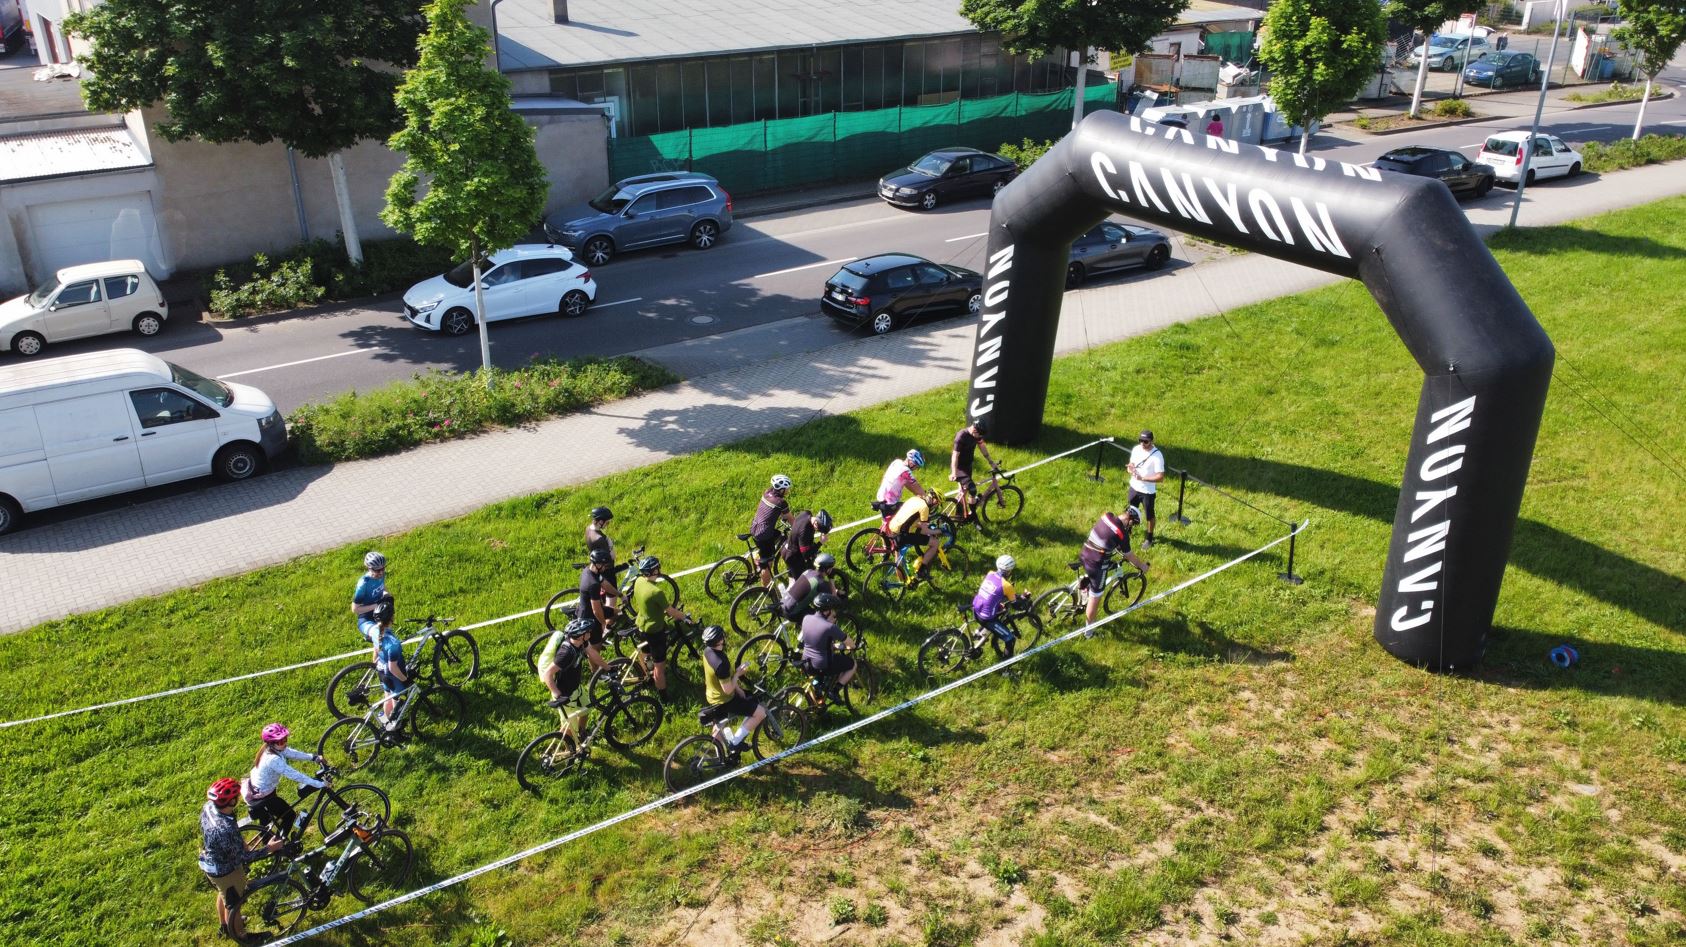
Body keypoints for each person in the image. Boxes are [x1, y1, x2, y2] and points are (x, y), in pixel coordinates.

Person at [201, 778, 284, 944]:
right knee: (235, 904)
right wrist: (270, 848)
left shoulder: (209, 807)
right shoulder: (223, 830)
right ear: (231, 801)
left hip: (211, 862)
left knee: (224, 893)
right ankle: (242, 937)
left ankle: (225, 926)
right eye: (236, 798)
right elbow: (244, 858)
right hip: (226, 870)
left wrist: (239, 842)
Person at [241, 723, 327, 837]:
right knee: (289, 815)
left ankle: (270, 842)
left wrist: (313, 757)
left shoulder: (272, 748)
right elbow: (294, 775)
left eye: (285, 739)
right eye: (281, 741)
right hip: (262, 796)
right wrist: (319, 784)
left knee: (266, 820)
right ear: (272, 743)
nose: (284, 743)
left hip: (259, 789)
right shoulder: (273, 759)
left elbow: (292, 753)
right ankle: (280, 846)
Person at [699, 624, 767, 754]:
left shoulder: (707, 651)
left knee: (718, 725)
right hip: (724, 699)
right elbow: (728, 690)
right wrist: (737, 674)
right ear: (720, 640)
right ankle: (735, 743)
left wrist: (739, 690)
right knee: (760, 713)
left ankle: (720, 756)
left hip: (711, 695)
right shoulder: (721, 664)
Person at [629, 556, 687, 701]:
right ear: (652, 571)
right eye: (657, 568)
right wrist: (685, 617)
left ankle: (646, 676)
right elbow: (671, 612)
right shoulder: (656, 592)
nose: (659, 570)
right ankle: (663, 697)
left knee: (645, 653)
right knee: (659, 669)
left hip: (641, 625)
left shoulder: (638, 581)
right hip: (654, 631)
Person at [1080, 508, 1150, 626]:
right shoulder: (1122, 534)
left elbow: (1108, 535)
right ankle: (1089, 633)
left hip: (1085, 551)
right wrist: (1142, 566)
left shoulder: (1107, 515)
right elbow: (1129, 556)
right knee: (1095, 598)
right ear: (1131, 520)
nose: (1132, 527)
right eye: (1134, 524)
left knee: (1099, 569)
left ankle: (1084, 585)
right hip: (1096, 563)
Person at [799, 593, 857, 699]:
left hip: (806, 662)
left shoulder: (806, 618)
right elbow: (851, 644)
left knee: (822, 666)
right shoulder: (830, 627)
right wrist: (852, 646)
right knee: (852, 664)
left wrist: (833, 646)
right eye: (832, 610)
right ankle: (835, 691)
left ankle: (819, 688)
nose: (834, 612)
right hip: (822, 665)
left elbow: (817, 641)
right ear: (827, 611)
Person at [973, 554, 1030, 658]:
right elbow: (1016, 606)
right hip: (986, 618)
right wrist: (1024, 598)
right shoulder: (1007, 586)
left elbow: (994, 593)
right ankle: (1006, 671)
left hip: (976, 608)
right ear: (1009, 571)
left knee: (998, 608)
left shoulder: (990, 573)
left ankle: (979, 632)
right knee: (1010, 639)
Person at [369, 596, 410, 731]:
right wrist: (406, 680)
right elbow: (393, 667)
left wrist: (375, 662)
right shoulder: (393, 644)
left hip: (381, 670)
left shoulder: (375, 630)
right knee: (398, 699)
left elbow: (375, 650)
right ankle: (393, 728)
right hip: (392, 674)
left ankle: (384, 724)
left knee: (388, 696)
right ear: (391, 618)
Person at [537, 617, 597, 708]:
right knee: (570, 722)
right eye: (587, 631)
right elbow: (547, 674)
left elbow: (592, 653)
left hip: (576, 687)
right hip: (565, 693)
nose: (590, 633)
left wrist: (608, 667)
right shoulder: (565, 654)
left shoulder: (581, 642)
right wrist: (558, 695)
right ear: (581, 636)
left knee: (586, 710)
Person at [576, 548, 618, 671]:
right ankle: (595, 673)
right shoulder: (593, 584)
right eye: (604, 565)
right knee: (595, 648)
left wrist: (619, 594)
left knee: (616, 612)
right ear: (598, 564)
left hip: (586, 609)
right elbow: (596, 610)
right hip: (590, 618)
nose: (605, 568)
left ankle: (605, 635)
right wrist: (603, 623)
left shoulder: (588, 571)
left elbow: (604, 583)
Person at [749, 474, 795, 586]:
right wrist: (798, 529)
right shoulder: (781, 502)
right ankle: (765, 590)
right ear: (782, 489)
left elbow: (771, 511)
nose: (788, 490)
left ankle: (759, 554)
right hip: (764, 535)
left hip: (754, 527)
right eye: (787, 489)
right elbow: (790, 519)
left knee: (778, 534)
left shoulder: (767, 492)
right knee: (768, 564)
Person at [950, 419, 999, 523]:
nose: (980, 437)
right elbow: (955, 456)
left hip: (968, 466)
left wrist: (991, 462)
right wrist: (954, 472)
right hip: (959, 468)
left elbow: (982, 446)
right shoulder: (961, 436)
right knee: (972, 489)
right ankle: (974, 517)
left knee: (964, 491)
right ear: (974, 430)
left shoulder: (977, 434)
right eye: (979, 435)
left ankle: (960, 515)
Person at [1127, 429, 1166, 549]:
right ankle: (1128, 531)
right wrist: (1130, 469)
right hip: (1134, 487)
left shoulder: (1157, 455)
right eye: (1140, 441)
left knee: (1149, 515)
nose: (1142, 444)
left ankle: (1149, 538)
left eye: (1146, 441)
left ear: (1152, 441)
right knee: (1130, 511)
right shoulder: (1136, 449)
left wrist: (1143, 478)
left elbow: (1160, 477)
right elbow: (1131, 464)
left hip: (1147, 492)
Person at [887, 490, 940, 577]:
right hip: (902, 535)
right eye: (937, 504)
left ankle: (902, 582)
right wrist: (938, 531)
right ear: (934, 501)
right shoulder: (925, 508)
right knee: (935, 543)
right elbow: (924, 531)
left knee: (898, 559)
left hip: (893, 527)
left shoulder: (915, 498)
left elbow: (910, 520)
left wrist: (923, 525)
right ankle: (922, 570)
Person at [780, 552, 841, 620]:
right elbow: (835, 599)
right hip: (791, 613)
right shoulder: (820, 583)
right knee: (821, 617)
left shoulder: (808, 571)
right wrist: (832, 581)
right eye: (831, 568)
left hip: (783, 602)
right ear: (827, 569)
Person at [352, 551, 387, 661]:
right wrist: (376, 605)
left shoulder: (380, 574)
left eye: (383, 568)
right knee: (378, 638)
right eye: (377, 570)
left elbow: (382, 587)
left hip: (379, 614)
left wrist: (387, 594)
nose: (381, 572)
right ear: (369, 567)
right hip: (366, 619)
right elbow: (355, 609)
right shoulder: (364, 583)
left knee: (386, 643)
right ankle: (377, 669)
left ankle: (381, 667)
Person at [780, 508, 832, 577]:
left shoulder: (806, 513)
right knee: (801, 582)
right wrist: (820, 542)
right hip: (792, 557)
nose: (819, 532)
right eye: (819, 530)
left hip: (790, 545)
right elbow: (806, 554)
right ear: (816, 524)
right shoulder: (805, 532)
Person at [876, 449, 930, 513]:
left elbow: (908, 485)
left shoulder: (897, 462)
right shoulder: (906, 472)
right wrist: (927, 497)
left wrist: (919, 494)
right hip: (890, 503)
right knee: (913, 513)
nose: (916, 469)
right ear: (912, 463)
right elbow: (916, 487)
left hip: (881, 497)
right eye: (917, 466)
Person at [585, 506, 615, 570]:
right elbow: (612, 557)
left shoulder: (588, 528)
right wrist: (611, 545)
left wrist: (607, 538)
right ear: (601, 522)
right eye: (607, 522)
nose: (607, 525)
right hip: (604, 570)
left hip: (595, 562)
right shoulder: (599, 539)